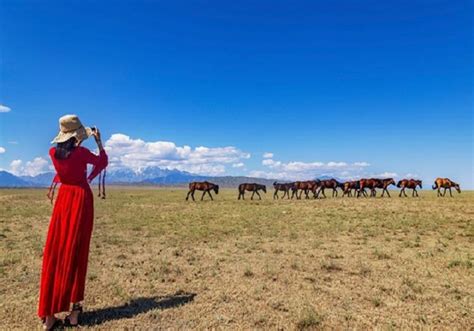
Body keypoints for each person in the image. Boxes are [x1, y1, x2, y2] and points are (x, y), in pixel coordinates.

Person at [38, 114, 108, 330]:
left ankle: (49, 317)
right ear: (77, 136)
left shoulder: (52, 153)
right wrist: (98, 141)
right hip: (80, 200)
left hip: (63, 201)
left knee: (56, 252)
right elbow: (102, 161)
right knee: (78, 252)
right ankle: (74, 313)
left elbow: (66, 166)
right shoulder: (82, 153)